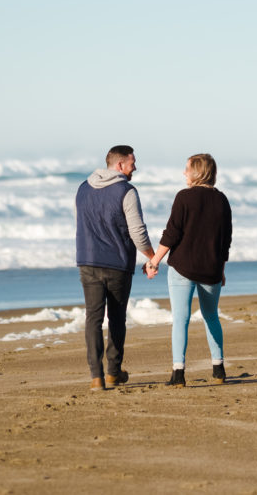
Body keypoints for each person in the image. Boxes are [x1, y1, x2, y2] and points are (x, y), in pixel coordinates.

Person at [144, 153, 233, 387]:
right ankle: (219, 369)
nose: (184, 173)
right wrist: (221, 269)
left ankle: (178, 373)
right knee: (211, 316)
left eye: (187, 169)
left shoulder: (184, 197)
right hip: (212, 269)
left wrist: (154, 261)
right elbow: (225, 241)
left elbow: (172, 233)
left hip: (183, 267)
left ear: (198, 171)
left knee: (180, 320)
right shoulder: (222, 200)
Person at [75, 145, 157, 391]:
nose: (135, 167)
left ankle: (96, 376)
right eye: (133, 163)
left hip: (87, 260)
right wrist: (152, 257)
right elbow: (137, 231)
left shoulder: (82, 188)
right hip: (117, 264)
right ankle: (112, 372)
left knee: (93, 317)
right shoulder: (127, 191)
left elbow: (81, 222)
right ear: (120, 165)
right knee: (117, 317)